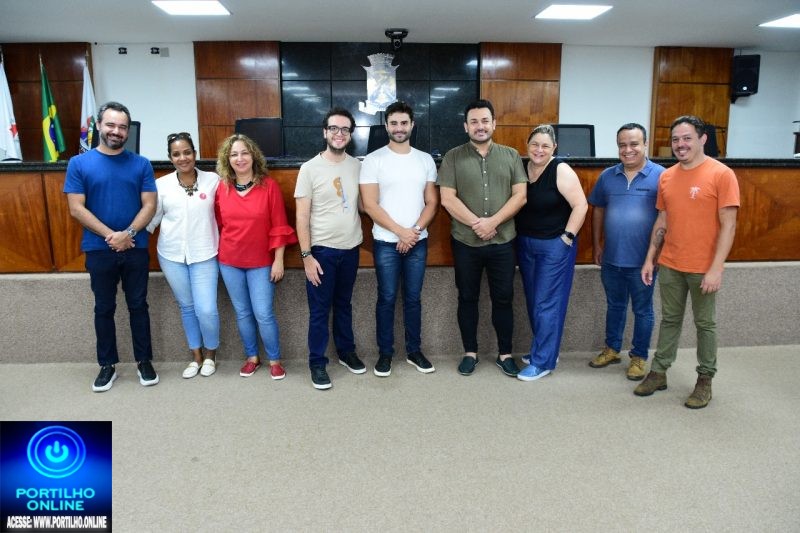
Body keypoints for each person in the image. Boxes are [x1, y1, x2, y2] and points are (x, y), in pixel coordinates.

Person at [635, 115, 739, 409]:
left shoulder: (722, 174)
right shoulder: (667, 177)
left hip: (703, 267)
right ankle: (659, 372)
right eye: (676, 139)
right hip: (670, 263)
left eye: (687, 138)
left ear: (702, 139)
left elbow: (729, 225)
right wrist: (650, 258)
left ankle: (705, 379)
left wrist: (716, 268)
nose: (680, 144)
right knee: (670, 319)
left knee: (705, 324)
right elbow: (662, 220)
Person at [64, 101, 158, 392]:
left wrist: (128, 233)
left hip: (135, 248)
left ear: (128, 131)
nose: (116, 131)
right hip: (98, 249)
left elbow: (150, 205)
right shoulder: (78, 164)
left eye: (122, 127)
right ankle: (107, 365)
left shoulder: (141, 164)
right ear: (99, 126)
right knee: (104, 307)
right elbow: (76, 208)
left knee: (138, 305)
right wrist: (112, 236)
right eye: (111, 125)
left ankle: (144, 361)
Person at [438, 99, 527, 377]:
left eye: (485, 120)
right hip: (466, 242)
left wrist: (493, 222)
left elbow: (520, 196)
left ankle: (505, 354)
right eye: (474, 121)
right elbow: (447, 199)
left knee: (504, 298)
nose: (480, 126)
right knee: (467, 297)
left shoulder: (511, 155)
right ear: (466, 126)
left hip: (503, 242)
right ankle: (470, 353)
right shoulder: (452, 157)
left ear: (494, 123)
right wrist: (478, 224)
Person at [360, 101, 439, 377]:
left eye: (404, 123)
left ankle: (414, 351)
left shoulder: (425, 160)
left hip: (417, 241)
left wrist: (413, 231)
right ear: (386, 126)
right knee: (387, 297)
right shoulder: (373, 160)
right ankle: (385, 354)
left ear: (412, 125)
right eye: (393, 123)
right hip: (385, 242)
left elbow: (432, 202)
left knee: (413, 298)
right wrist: (400, 231)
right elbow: (370, 205)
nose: (399, 128)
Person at [214, 134, 297, 380]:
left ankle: (275, 360)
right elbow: (219, 224)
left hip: (262, 262)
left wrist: (278, 260)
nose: (240, 158)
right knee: (242, 313)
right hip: (230, 261)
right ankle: (252, 357)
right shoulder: (222, 188)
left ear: (253, 156)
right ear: (227, 160)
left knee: (263, 313)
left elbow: (279, 225)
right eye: (234, 154)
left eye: (244, 153)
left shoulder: (268, 186)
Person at [587, 123, 664, 380]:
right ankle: (612, 349)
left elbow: (667, 218)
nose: (627, 149)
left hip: (643, 261)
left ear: (645, 144)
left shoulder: (662, 176)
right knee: (615, 305)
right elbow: (598, 209)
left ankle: (639, 357)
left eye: (634, 144)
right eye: (622, 145)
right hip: (611, 259)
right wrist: (597, 244)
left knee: (643, 310)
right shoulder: (607, 176)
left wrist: (655, 256)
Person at [294, 108, 364, 390]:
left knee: (344, 304)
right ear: (325, 132)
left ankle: (346, 352)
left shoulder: (358, 166)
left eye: (345, 129)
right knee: (320, 310)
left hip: (351, 248)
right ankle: (317, 363)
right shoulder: (309, 169)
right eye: (334, 128)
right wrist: (307, 256)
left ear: (351, 135)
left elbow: (364, 205)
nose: (339, 133)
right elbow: (301, 216)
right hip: (321, 252)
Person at [514, 124, 588, 381]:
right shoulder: (522, 168)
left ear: (554, 148)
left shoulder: (561, 169)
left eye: (545, 146)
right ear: (527, 145)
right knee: (534, 301)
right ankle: (546, 350)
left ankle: (543, 361)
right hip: (526, 244)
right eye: (535, 144)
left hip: (555, 246)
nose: (539, 150)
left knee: (547, 303)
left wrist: (567, 237)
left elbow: (581, 205)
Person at [146, 132, 221, 379]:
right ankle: (196, 356)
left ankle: (211, 354)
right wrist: (129, 236)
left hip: (205, 253)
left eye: (187, 152)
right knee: (187, 307)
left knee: (206, 309)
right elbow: (152, 219)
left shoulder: (213, 180)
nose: (183, 158)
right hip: (171, 256)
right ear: (170, 158)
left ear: (195, 154)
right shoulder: (161, 185)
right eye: (176, 154)